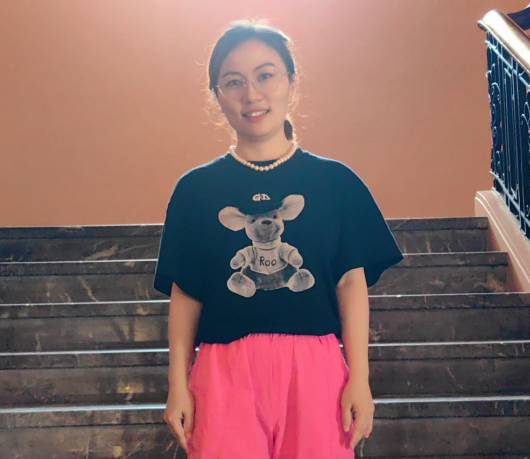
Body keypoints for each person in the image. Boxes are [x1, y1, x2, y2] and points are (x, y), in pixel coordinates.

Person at [154, 18, 404, 459]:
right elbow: (186, 293)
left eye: (265, 75)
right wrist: (178, 385)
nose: (251, 94)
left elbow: (351, 282)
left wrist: (359, 378)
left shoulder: (336, 182)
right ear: (217, 95)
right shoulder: (195, 191)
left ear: (291, 82)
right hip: (222, 369)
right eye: (234, 81)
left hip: (316, 369)